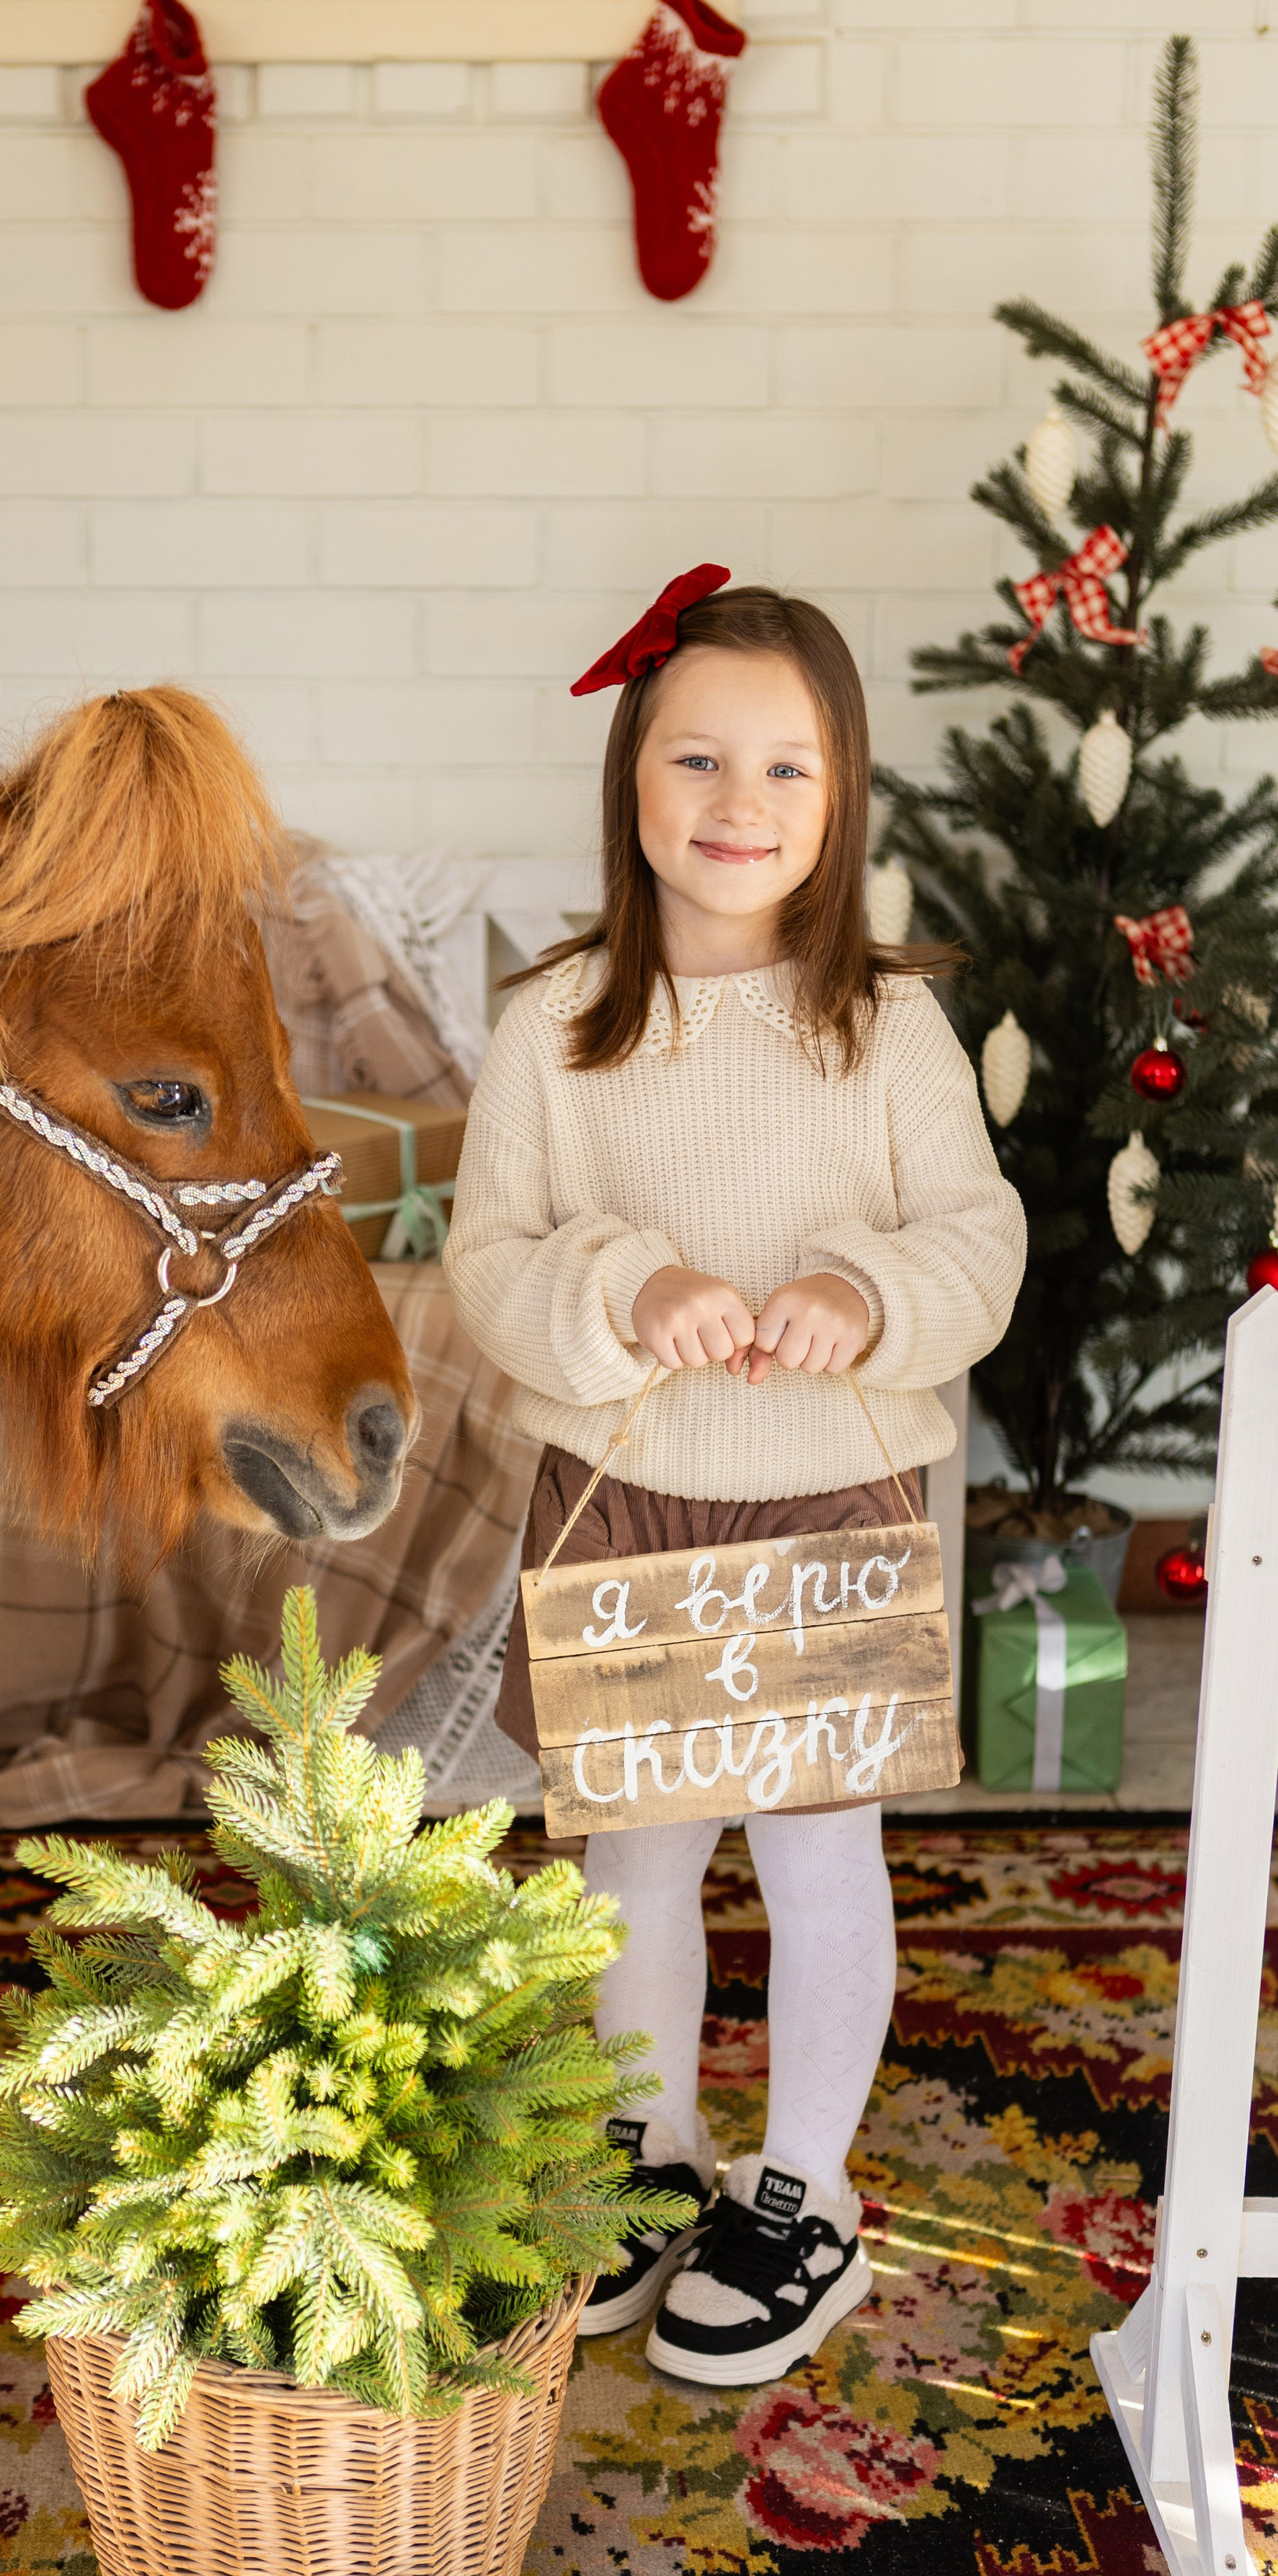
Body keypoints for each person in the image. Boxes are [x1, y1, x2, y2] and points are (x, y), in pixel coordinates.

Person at [444, 570, 1024, 2387]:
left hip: (825, 1495)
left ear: (839, 797)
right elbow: (487, 1265)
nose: (737, 802)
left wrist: (864, 1293)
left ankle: (801, 2194)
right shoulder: (554, 1026)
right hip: (625, 1490)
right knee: (635, 1856)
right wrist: (626, 1286)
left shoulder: (885, 1026)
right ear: (630, 773)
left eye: (786, 767)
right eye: (695, 757)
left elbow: (978, 1240)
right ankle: (651, 2149)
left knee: (814, 1849)